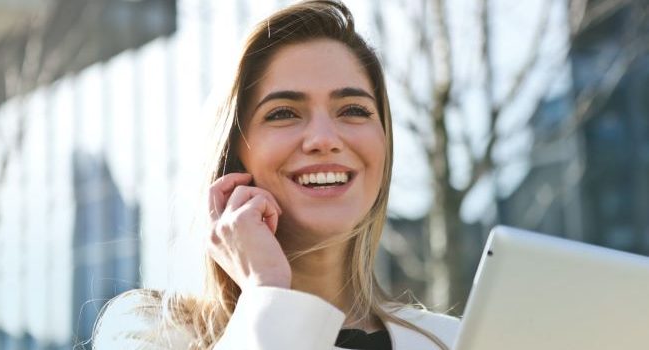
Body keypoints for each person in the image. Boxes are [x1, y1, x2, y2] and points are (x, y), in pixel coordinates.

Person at [93, 1, 459, 349]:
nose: (324, 139)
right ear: (235, 152)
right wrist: (267, 293)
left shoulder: (452, 341)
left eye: (353, 109)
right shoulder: (149, 333)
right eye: (283, 112)